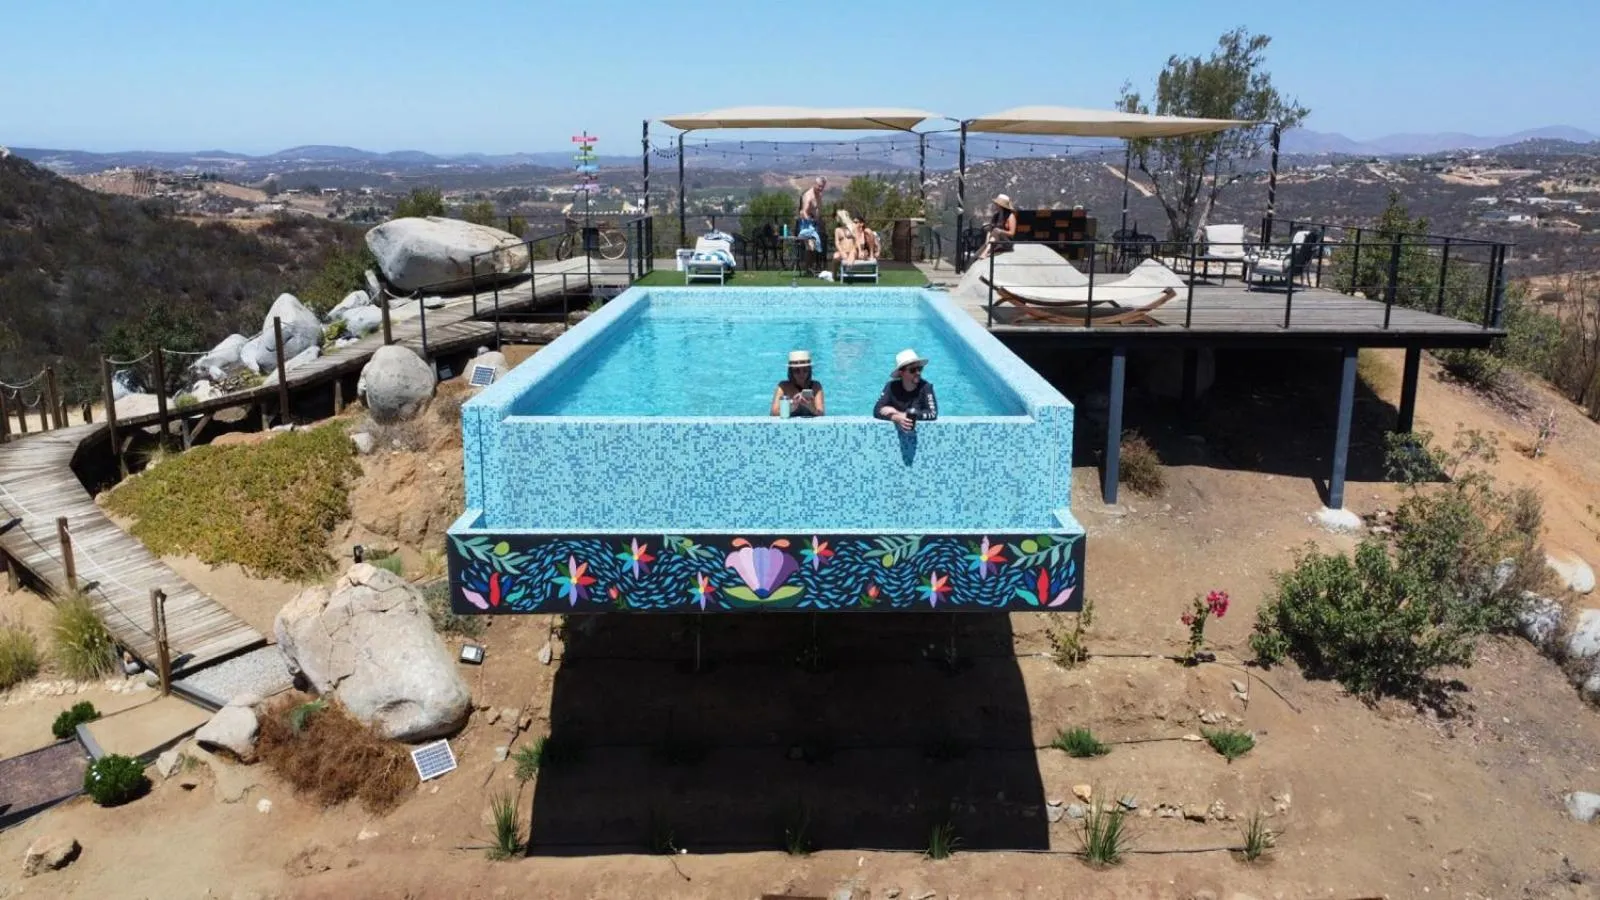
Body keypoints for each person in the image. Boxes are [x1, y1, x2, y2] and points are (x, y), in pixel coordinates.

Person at [874, 349, 937, 431]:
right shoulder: (891, 387)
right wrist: (895, 418)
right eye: (913, 370)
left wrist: (899, 413)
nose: (918, 373)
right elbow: (877, 410)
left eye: (920, 368)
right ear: (901, 373)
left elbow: (932, 414)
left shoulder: (926, 387)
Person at [771, 350, 825, 417]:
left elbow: (821, 414)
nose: (801, 374)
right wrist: (792, 407)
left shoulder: (815, 386)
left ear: (809, 370)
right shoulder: (783, 387)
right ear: (791, 372)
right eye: (797, 371)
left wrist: (810, 406)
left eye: (805, 370)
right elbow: (773, 413)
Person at [797, 177, 827, 272]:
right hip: (807, 224)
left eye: (822, 187)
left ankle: (811, 267)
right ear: (814, 184)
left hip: (816, 224)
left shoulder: (819, 194)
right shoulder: (808, 196)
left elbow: (818, 209)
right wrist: (810, 221)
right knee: (810, 246)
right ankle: (807, 268)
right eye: (819, 186)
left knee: (816, 246)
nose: (820, 188)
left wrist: (820, 220)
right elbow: (803, 212)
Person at [976, 193, 1017, 260]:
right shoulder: (995, 216)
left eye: (996, 203)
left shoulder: (1010, 216)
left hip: (1006, 243)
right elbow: (990, 229)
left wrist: (1000, 231)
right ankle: (987, 249)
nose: (995, 205)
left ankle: (985, 252)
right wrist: (987, 241)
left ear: (1000, 205)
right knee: (975, 256)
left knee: (996, 230)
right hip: (993, 241)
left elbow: (1012, 233)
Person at [832, 209, 859, 276]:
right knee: (835, 256)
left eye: (838, 217)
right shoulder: (837, 230)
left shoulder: (853, 227)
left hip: (852, 250)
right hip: (842, 250)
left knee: (852, 254)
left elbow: (857, 240)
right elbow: (837, 243)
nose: (836, 219)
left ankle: (847, 269)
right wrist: (842, 252)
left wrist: (852, 235)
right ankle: (834, 275)